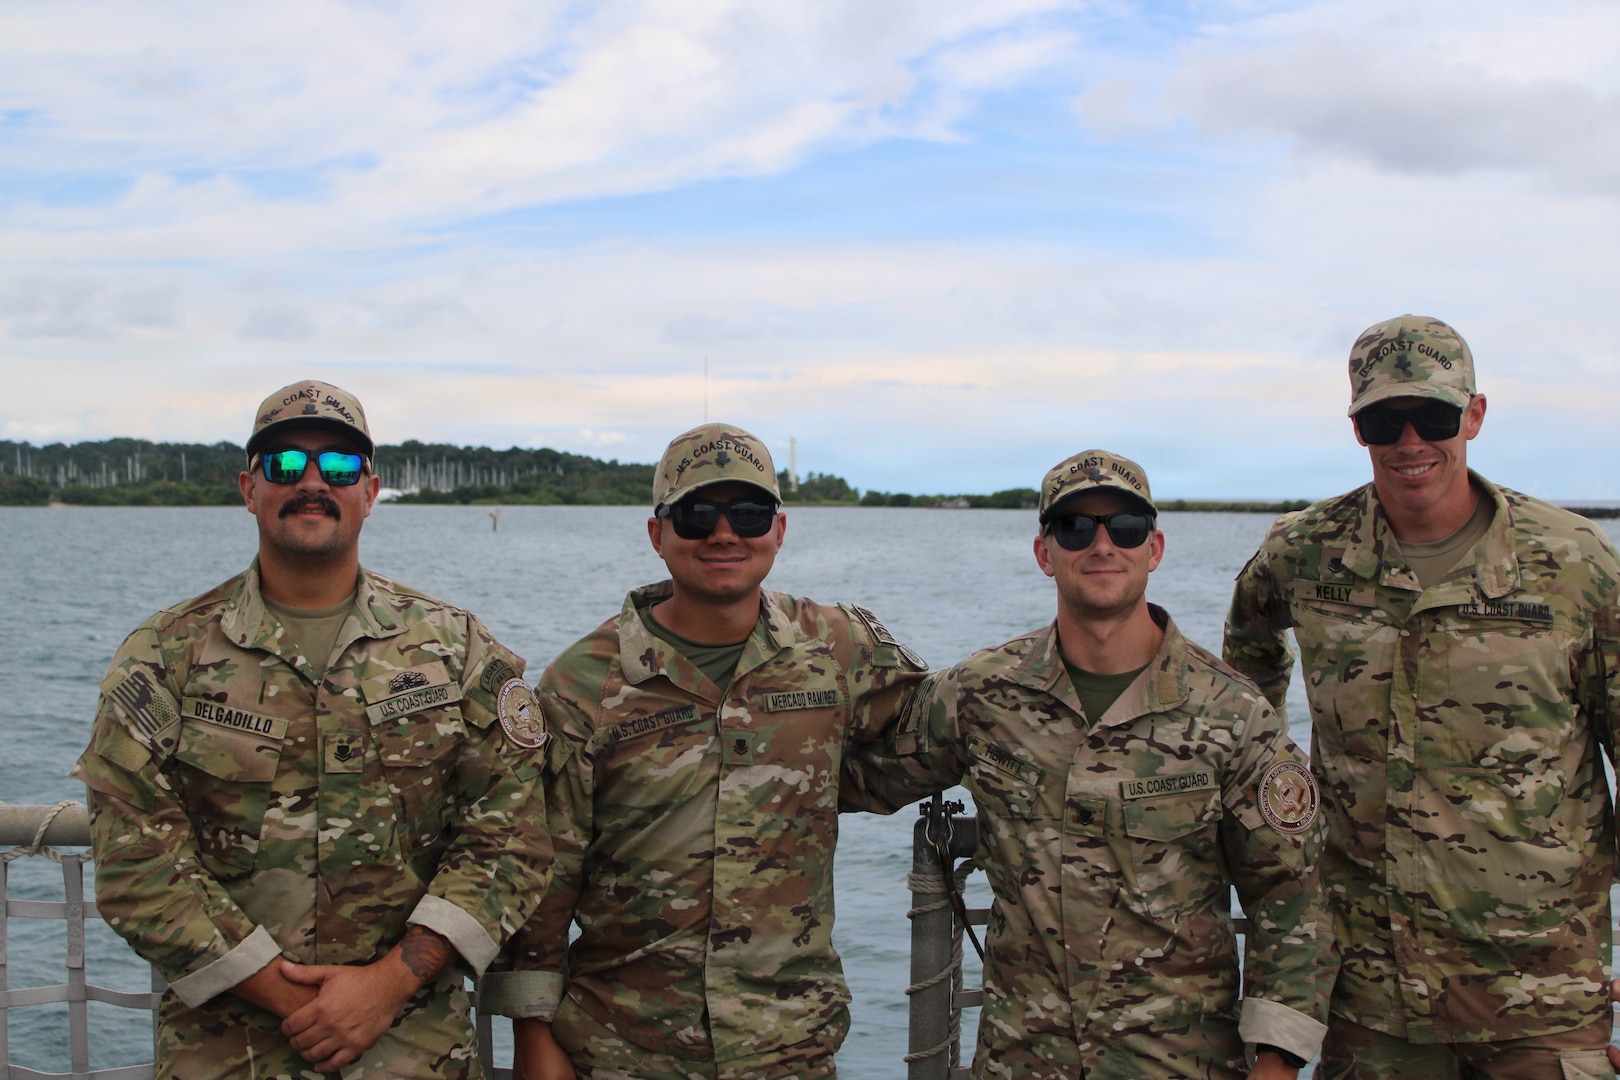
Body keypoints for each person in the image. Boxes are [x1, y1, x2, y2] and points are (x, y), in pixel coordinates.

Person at [72, 380, 552, 1078]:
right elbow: (133, 856)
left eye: (340, 467)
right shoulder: (166, 654)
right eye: (286, 466)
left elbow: (512, 834)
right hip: (228, 1051)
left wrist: (388, 984)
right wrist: (288, 996)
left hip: (413, 1046)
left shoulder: (454, 648)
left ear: (371, 490)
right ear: (249, 488)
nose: (313, 484)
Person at [844, 449, 1333, 1079]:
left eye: (1124, 528)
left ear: (1153, 548)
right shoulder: (982, 695)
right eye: (1075, 527)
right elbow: (856, 773)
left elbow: (1294, 901)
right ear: (1044, 552)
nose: (1101, 545)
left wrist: (1275, 1066)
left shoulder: (1232, 713)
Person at [1223, 315, 1620, 1079]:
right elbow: (1248, 654)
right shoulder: (1305, 552)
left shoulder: (1574, 565)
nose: (1410, 442)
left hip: (1543, 998)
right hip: (1373, 998)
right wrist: (1273, 784)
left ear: (1473, 415)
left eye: (1433, 416)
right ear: (1356, 428)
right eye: (1384, 420)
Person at [478, 422, 928, 1080]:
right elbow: (544, 877)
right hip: (622, 1048)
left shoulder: (838, 648)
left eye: (747, 513)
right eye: (696, 514)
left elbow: (936, 728)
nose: (724, 534)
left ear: (778, 529)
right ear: (658, 533)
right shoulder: (584, 681)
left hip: (791, 1049)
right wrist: (535, 1040)